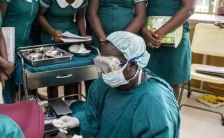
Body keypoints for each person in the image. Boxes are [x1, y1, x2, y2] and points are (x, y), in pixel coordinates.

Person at [52, 31, 180, 138]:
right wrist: (77, 120)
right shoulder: (101, 85)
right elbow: (92, 112)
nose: (105, 72)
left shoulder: (154, 101)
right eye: (102, 63)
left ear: (132, 65)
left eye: (111, 65)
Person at [0, 0, 55, 103]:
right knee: (9, 92)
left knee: (25, 89)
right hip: (6, 46)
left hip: (25, 48)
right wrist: (3, 58)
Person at [141, 0, 201, 98]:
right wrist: (143, 30)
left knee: (171, 83)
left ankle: (170, 119)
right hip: (149, 37)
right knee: (146, 80)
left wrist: (160, 32)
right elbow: (139, 5)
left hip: (176, 37)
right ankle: (149, 118)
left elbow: (188, 8)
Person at [38, 0, 92, 99]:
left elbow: (80, 17)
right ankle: (54, 107)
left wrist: (84, 35)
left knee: (72, 75)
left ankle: (72, 106)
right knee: (54, 77)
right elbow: (40, 16)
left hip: (70, 36)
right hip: (50, 35)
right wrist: (52, 32)